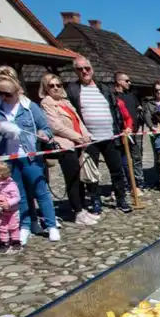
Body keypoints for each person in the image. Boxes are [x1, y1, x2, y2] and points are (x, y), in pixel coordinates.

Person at [0, 68, 58, 244]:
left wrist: (44, 135)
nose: (3, 97)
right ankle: (24, 226)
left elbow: (45, 128)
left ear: (16, 90)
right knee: (18, 194)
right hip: (6, 159)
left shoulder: (30, 107)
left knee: (41, 191)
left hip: (29, 155)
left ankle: (51, 225)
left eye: (6, 94)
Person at [65, 56, 131, 213]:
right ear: (76, 71)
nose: (84, 71)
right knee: (91, 174)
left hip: (110, 137)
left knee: (117, 170)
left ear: (92, 69)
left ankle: (121, 199)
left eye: (86, 68)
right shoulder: (73, 90)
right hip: (89, 140)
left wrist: (124, 127)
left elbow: (116, 110)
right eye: (80, 69)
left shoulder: (104, 88)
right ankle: (95, 201)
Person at [39, 72, 99, 225]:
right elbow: (56, 126)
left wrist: (86, 135)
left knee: (80, 178)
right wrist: (78, 137)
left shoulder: (66, 102)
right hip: (66, 145)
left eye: (58, 85)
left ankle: (84, 209)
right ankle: (77, 211)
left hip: (79, 144)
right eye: (51, 86)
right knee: (72, 179)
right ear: (46, 88)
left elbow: (78, 120)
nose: (56, 88)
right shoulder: (47, 103)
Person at [114, 72, 144, 191]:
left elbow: (138, 108)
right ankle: (126, 184)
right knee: (123, 161)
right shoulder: (114, 96)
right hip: (121, 133)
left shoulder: (131, 96)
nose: (129, 83)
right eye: (126, 81)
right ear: (119, 81)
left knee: (136, 158)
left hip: (134, 133)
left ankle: (139, 182)